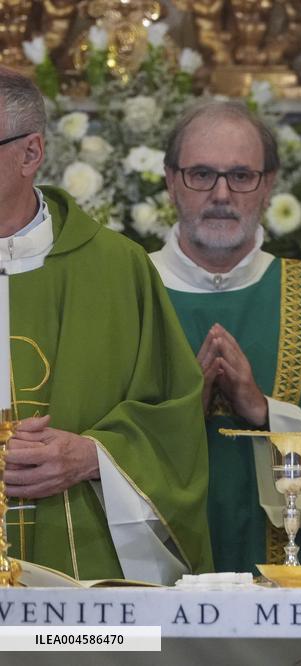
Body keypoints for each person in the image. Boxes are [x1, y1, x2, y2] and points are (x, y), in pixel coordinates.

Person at [0, 66, 211, 583]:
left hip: (86, 570)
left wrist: (95, 455)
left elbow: (175, 419)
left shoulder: (117, 269)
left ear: (31, 153)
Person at [150, 101, 301, 573]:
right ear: (169, 181)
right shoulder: (127, 287)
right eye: (201, 174)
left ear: (268, 185)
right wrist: (187, 408)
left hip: (293, 580)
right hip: (149, 585)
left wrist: (266, 412)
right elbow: (88, 436)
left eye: (242, 176)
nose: (222, 194)